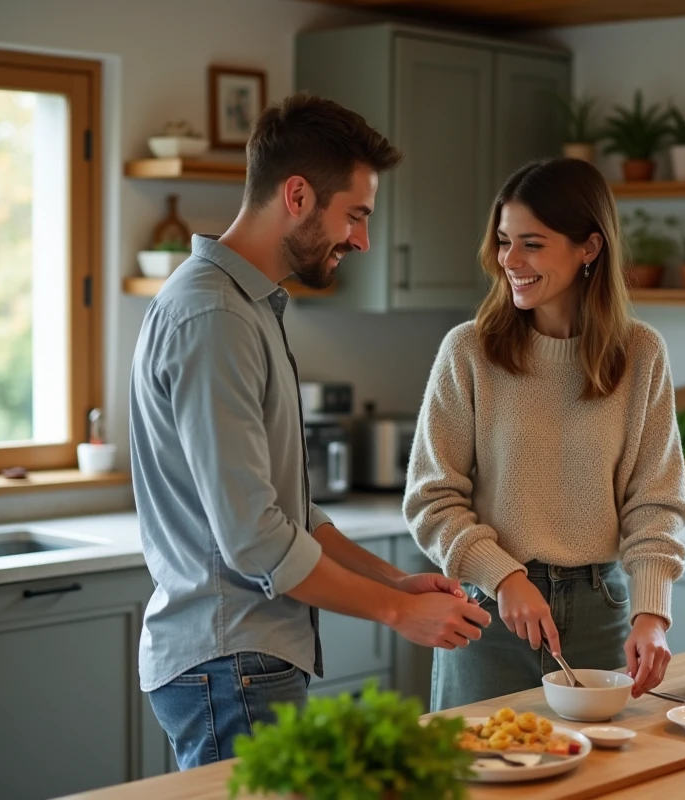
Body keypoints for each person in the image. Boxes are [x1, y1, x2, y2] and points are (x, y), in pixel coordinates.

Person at [129, 92, 491, 768]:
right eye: (355, 215)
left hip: (241, 661)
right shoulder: (216, 318)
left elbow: (288, 512)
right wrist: (395, 613)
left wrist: (397, 584)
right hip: (230, 663)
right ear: (297, 195)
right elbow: (255, 539)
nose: (362, 240)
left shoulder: (245, 307)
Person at [403, 157, 685, 711]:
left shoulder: (640, 354)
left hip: (601, 616)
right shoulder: (468, 351)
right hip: (489, 616)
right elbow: (431, 499)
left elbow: (655, 503)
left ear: (590, 247)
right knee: (477, 763)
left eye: (532, 244)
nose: (510, 260)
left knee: (604, 763)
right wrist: (505, 578)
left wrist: (652, 614)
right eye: (504, 241)